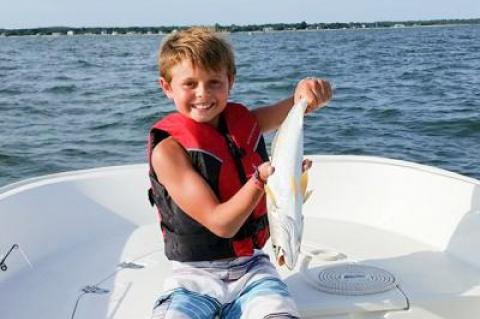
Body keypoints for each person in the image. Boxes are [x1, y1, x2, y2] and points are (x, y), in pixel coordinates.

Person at [147, 27, 332, 319]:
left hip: (253, 268)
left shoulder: (246, 122)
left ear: (230, 81)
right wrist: (261, 180)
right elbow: (222, 224)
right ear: (167, 87)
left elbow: (296, 107)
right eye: (190, 84)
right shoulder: (167, 152)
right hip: (193, 279)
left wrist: (308, 94)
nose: (203, 94)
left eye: (214, 82)